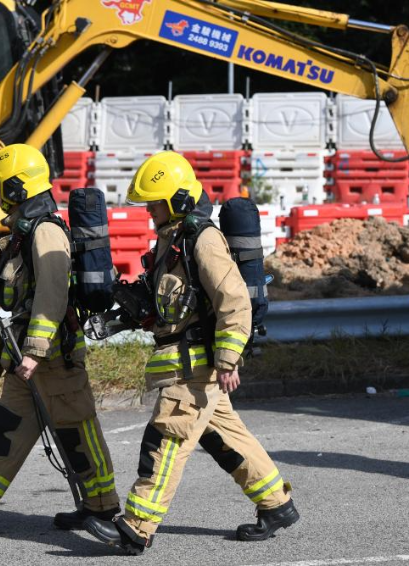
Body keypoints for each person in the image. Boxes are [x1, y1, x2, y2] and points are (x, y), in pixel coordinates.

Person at [83, 152, 298, 555]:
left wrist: (229, 357)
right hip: (185, 362)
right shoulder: (173, 241)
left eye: (154, 203)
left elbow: (234, 300)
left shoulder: (203, 239)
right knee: (226, 437)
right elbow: (175, 302)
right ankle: (277, 504)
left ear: (178, 201)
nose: (148, 210)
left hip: (195, 365)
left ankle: (136, 527)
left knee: (165, 442)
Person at [0, 143, 121, 530]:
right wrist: (0, 349)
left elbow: (51, 296)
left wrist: (33, 351)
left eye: (0, 186)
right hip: (27, 357)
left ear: (17, 188)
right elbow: (22, 304)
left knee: (78, 432)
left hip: (54, 357)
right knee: (7, 426)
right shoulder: (25, 230)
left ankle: (102, 507)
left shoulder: (46, 231)